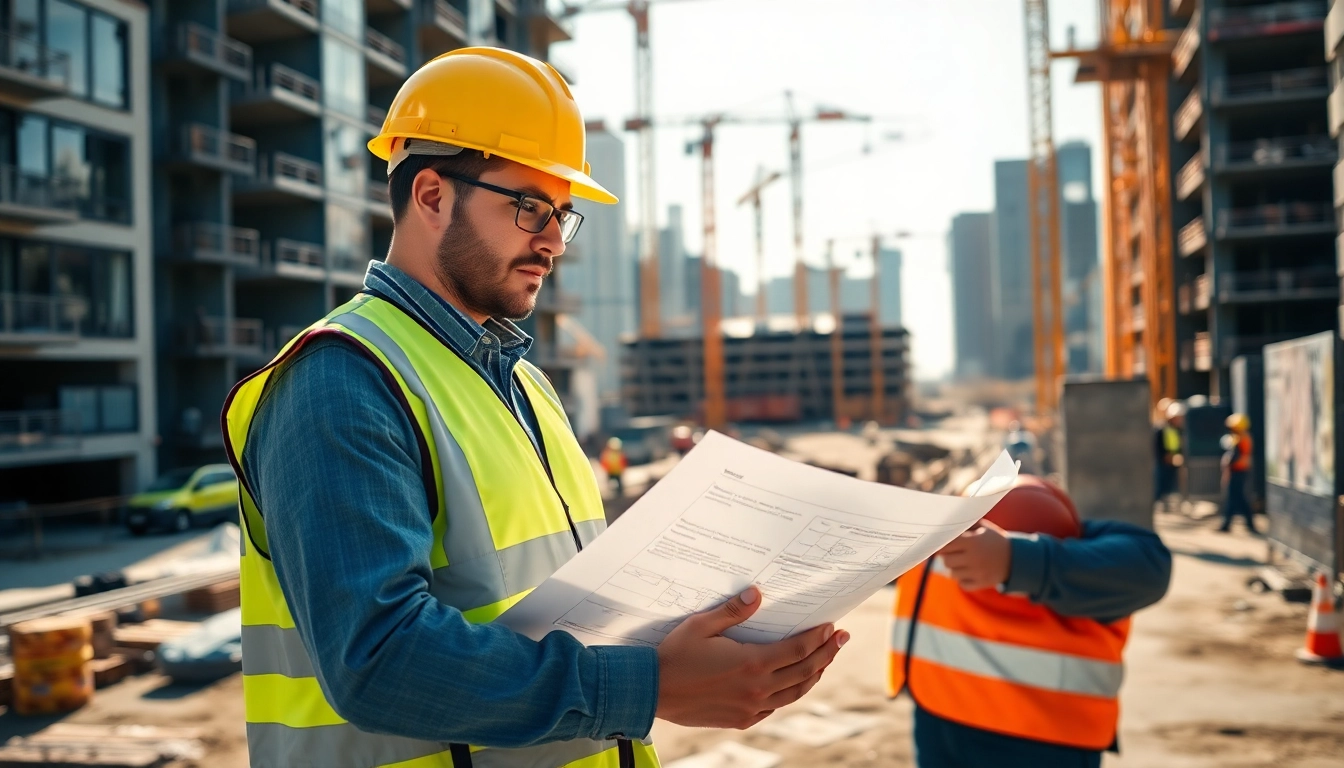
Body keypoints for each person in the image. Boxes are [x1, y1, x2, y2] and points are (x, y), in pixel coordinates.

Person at [223, 48, 847, 768]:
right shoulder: (340, 381)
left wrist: (705, 643)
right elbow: (378, 660)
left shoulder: (524, 386)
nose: (552, 240)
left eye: (562, 215)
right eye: (528, 207)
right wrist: (648, 686)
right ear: (431, 196)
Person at [888, 476, 1172, 768]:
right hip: (937, 711)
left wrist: (1018, 560)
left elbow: (1149, 568)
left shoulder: (1048, 523)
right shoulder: (945, 527)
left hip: (1040, 739)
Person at [1219, 412, 1256, 533]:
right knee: (1238, 498)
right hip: (1239, 471)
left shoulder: (1241, 439)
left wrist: (1227, 463)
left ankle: (1227, 524)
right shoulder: (1241, 437)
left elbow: (1234, 457)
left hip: (1238, 471)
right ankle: (1231, 524)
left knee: (1235, 498)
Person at [1153, 399, 1185, 512]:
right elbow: (1157, 446)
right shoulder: (1161, 429)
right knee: (1160, 485)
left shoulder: (1177, 430)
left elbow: (1177, 445)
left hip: (1173, 462)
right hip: (1162, 462)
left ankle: (1165, 505)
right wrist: (1165, 457)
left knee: (1169, 486)